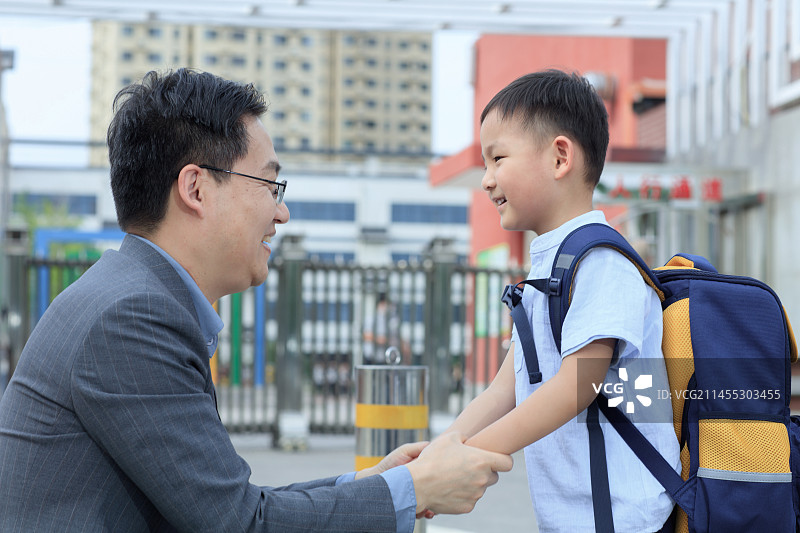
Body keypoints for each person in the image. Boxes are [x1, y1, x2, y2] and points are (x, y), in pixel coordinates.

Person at [0, 68, 512, 533]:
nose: (282, 212)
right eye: (269, 184)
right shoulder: (132, 319)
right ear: (196, 188)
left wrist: (378, 484)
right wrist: (414, 490)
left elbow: (224, 505)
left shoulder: (127, 295)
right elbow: (240, 524)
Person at [444, 70, 679, 532]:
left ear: (559, 157)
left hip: (623, 522)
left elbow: (578, 384)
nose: (487, 181)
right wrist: (440, 452)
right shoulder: (549, 270)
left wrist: (470, 456)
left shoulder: (603, 261)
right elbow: (502, 392)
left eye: (498, 158)